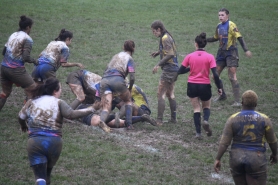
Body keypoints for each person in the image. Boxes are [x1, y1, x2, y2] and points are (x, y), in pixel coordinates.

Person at [18, 78, 96, 185]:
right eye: (60, 89)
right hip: (54, 142)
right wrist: (92, 109)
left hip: (35, 142)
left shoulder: (32, 102)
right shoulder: (59, 103)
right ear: (55, 91)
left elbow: (21, 116)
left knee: (40, 177)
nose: (61, 91)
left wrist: (23, 126)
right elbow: (71, 115)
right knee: (47, 174)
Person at [214, 90, 277, 185]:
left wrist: (218, 158)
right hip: (256, 158)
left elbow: (224, 142)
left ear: (242, 103)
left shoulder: (232, 119)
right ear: (255, 104)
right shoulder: (265, 119)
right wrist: (275, 154)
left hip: (236, 157)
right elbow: (272, 140)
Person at [176, 32, 222, 139]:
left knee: (196, 108)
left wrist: (190, 68)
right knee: (206, 106)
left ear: (196, 44)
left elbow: (179, 71)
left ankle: (198, 133)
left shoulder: (189, 56)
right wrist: (219, 88)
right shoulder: (210, 57)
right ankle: (205, 120)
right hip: (205, 85)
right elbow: (215, 74)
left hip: (192, 85)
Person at [206, 8, 252, 107]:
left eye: (222, 15)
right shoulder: (218, 26)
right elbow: (215, 38)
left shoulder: (232, 25)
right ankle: (222, 95)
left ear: (228, 15)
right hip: (221, 53)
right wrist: (205, 40)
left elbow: (239, 37)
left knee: (232, 76)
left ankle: (237, 101)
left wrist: (246, 50)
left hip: (231, 53)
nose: (220, 17)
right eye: (219, 15)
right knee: (215, 75)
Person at [0, 15, 38, 111]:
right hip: (15, 69)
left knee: (5, 92)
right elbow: (26, 57)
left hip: (3, 67)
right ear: (28, 27)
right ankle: (24, 116)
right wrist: (35, 61)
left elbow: (3, 52)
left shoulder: (13, 34)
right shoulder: (27, 39)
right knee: (33, 90)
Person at [98, 40, 136, 131]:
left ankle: (101, 121)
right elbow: (132, 77)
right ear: (133, 49)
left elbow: (106, 69)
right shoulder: (130, 59)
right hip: (117, 80)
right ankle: (129, 124)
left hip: (104, 80)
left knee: (106, 107)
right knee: (128, 100)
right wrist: (129, 88)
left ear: (123, 47)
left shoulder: (116, 55)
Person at [150, 20, 179, 125]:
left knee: (160, 94)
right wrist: (158, 52)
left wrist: (158, 64)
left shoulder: (165, 38)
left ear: (159, 29)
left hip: (169, 70)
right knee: (170, 93)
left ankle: (159, 120)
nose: (154, 33)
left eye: (154, 31)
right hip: (174, 70)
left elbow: (170, 54)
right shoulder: (166, 36)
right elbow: (169, 50)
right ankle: (173, 119)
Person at [77, 104, 157, 128]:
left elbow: (71, 114)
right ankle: (141, 118)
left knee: (97, 122)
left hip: (89, 115)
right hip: (100, 112)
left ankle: (113, 116)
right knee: (122, 123)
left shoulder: (80, 107)